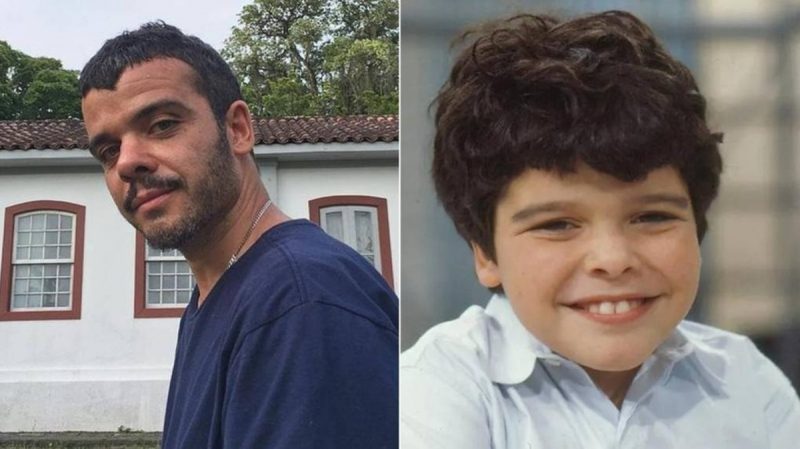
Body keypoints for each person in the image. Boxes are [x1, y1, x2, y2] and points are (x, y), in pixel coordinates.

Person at [401, 10, 800, 448]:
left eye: (652, 217)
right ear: (485, 254)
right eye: (557, 225)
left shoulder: (747, 381)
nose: (613, 260)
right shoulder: (433, 393)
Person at [80, 22, 398, 449]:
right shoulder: (218, 296)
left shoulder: (300, 301)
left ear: (237, 130)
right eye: (108, 150)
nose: (126, 163)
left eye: (161, 125)